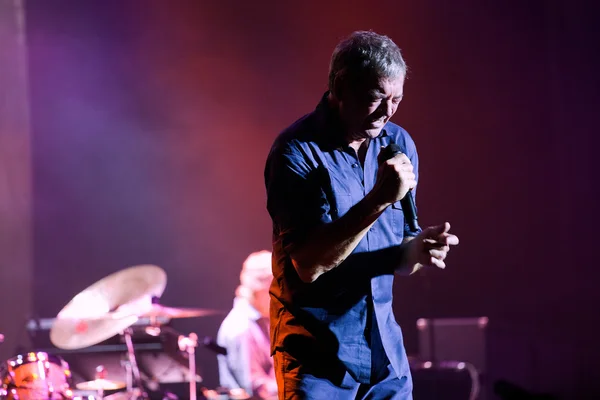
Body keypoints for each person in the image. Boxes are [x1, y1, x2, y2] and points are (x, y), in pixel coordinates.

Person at [264, 30, 459, 399]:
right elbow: (309, 264)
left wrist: (419, 251)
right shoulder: (296, 152)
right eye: (375, 98)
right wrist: (380, 199)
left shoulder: (398, 143)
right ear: (340, 86)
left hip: (385, 354)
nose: (388, 112)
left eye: (397, 99)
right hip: (317, 360)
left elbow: (400, 259)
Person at [216, 250, 278, 399]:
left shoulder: (264, 320)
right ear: (261, 289)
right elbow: (256, 388)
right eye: (278, 288)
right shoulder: (240, 328)